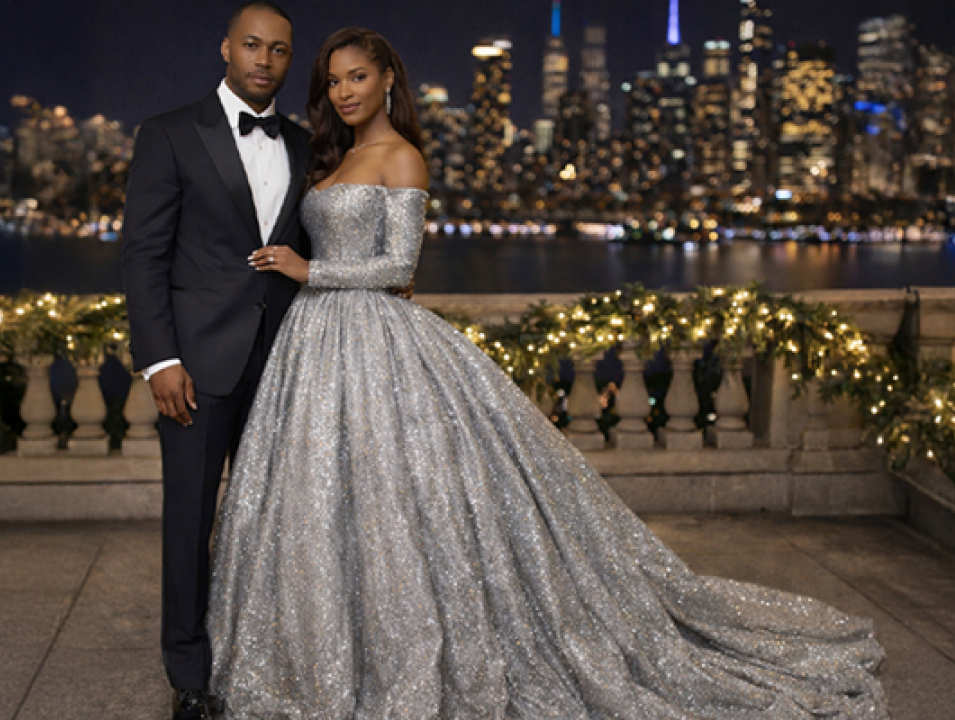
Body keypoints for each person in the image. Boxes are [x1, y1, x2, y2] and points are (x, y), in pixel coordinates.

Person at [207, 27, 889, 719]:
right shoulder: (330, 156)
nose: (344, 91)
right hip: (314, 346)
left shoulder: (403, 157)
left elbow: (399, 269)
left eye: (357, 76)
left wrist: (309, 270)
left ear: (389, 80)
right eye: (333, 81)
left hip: (371, 335)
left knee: (404, 500)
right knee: (319, 499)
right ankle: (322, 649)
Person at [120, 3, 310, 718]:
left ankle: (269, 650)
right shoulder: (169, 133)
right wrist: (160, 359)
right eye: (253, 45)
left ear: (291, 61)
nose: (264, 59)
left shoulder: (304, 141)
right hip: (196, 367)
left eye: (280, 50)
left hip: (290, 364)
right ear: (226, 48)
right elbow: (143, 256)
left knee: (280, 519)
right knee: (189, 520)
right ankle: (190, 678)